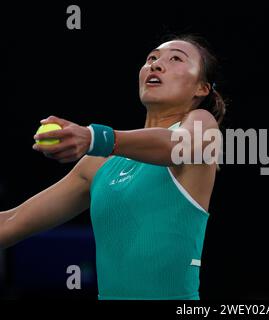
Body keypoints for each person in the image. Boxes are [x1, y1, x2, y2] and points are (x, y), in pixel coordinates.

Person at [0, 34, 226, 300]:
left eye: (176, 58)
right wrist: (98, 144)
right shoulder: (97, 165)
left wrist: (95, 137)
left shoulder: (203, 124)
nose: (155, 65)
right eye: (151, 58)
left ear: (201, 88)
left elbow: (177, 146)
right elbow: (11, 222)